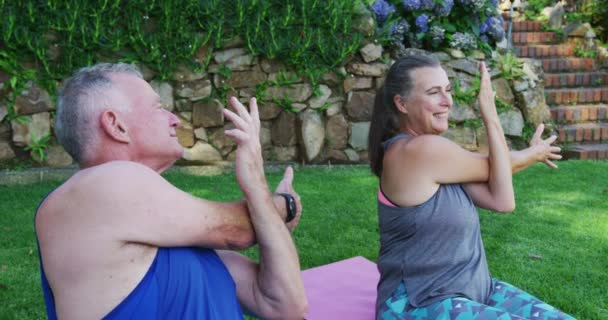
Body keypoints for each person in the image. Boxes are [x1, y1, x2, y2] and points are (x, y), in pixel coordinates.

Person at [34, 63, 308, 319]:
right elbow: (239, 231)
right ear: (116, 125)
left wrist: (268, 208)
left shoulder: (164, 229)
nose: (174, 119)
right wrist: (282, 204)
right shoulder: (101, 186)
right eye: (158, 107)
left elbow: (284, 304)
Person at [368, 55, 574, 320]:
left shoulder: (441, 157)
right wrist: (491, 116)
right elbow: (495, 167)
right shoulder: (416, 151)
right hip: (419, 304)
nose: (447, 101)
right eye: (434, 92)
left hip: (476, 291)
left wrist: (529, 153)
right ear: (402, 103)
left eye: (448, 90)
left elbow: (502, 200)